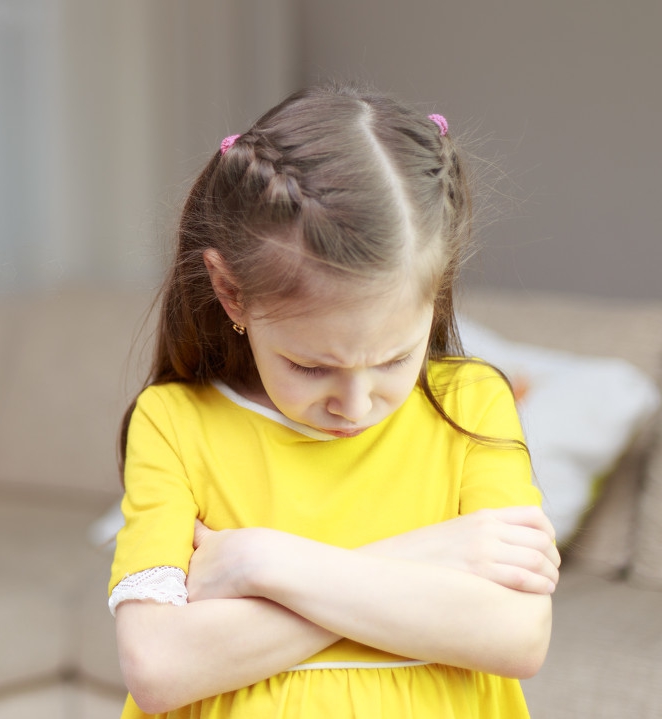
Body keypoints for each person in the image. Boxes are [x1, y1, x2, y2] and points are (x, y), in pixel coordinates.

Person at [108, 83, 560, 718]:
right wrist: (427, 554)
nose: (355, 403)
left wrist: (262, 563)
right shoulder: (177, 423)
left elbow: (516, 636)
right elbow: (158, 668)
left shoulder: (472, 403)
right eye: (311, 365)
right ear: (231, 293)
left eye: (394, 359)